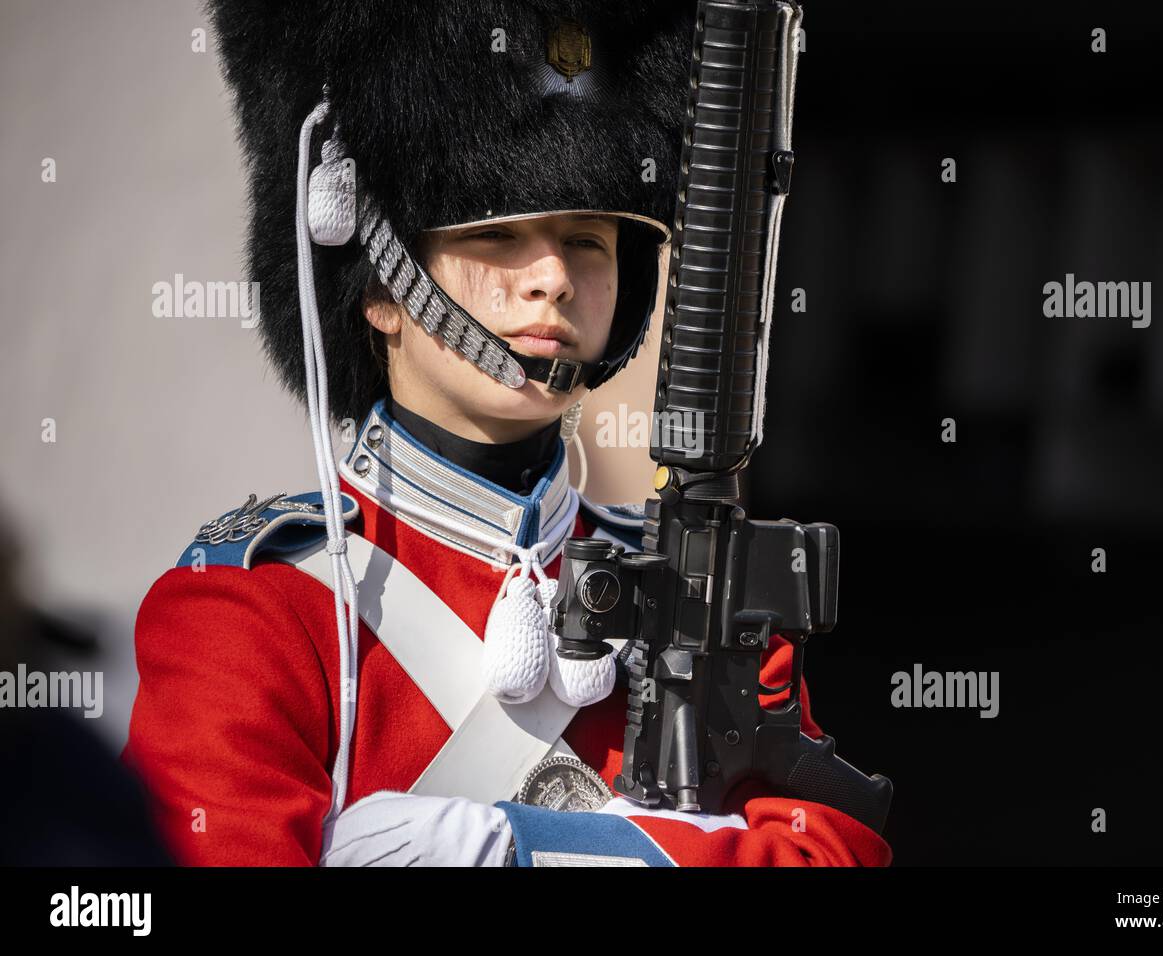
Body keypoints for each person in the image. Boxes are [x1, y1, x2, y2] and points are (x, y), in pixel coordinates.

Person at [122, 0, 891, 867]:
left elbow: (832, 849)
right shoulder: (255, 611)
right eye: (498, 236)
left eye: (588, 241)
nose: (553, 279)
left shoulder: (699, 592)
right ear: (381, 289)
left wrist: (528, 851)